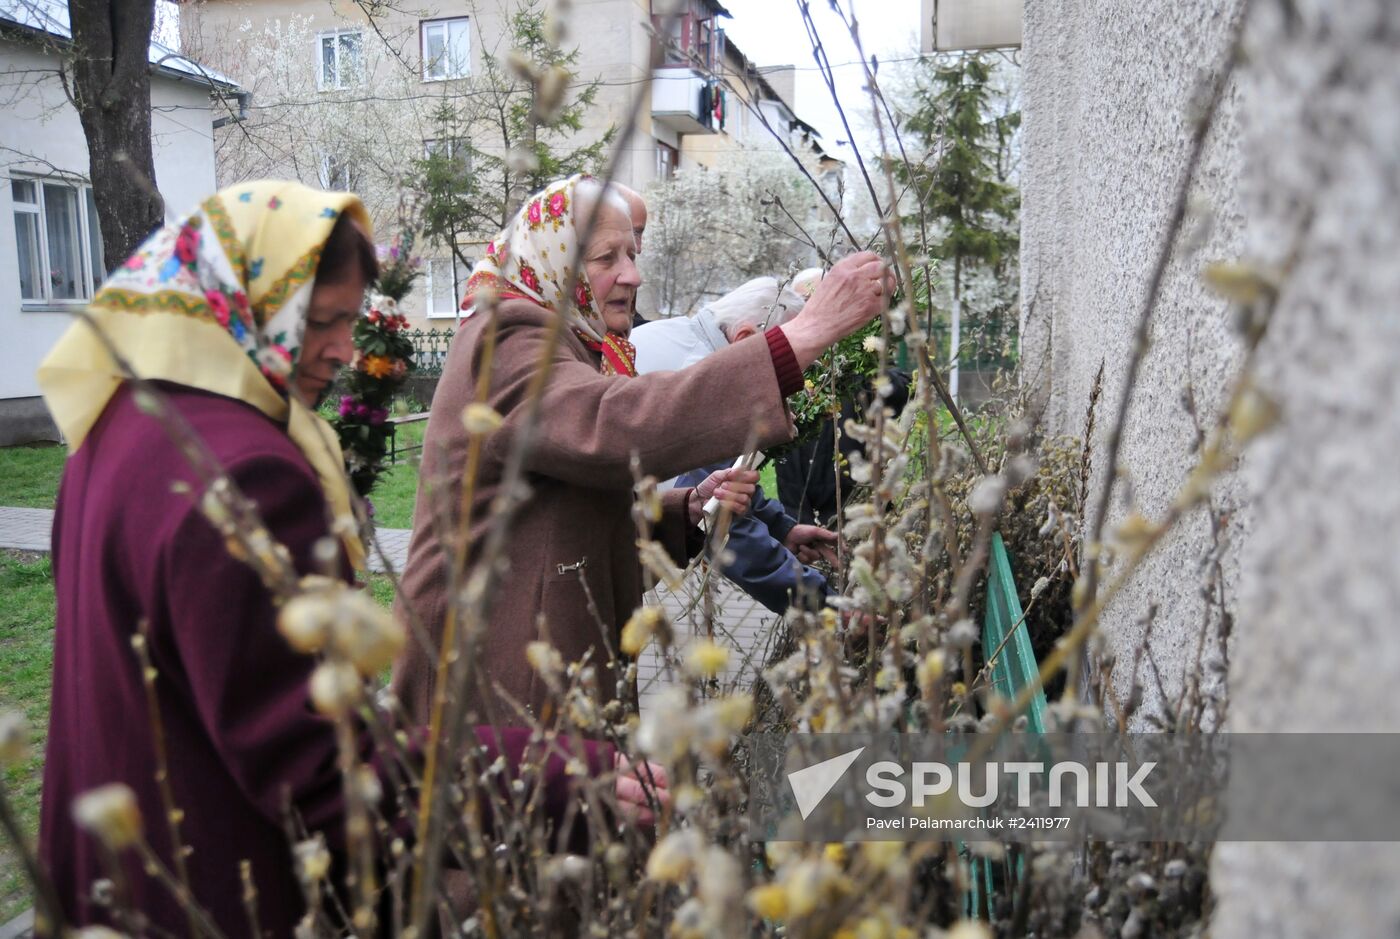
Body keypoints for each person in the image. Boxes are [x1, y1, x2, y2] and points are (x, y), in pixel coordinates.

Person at [34, 182, 655, 938]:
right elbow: (321, 772)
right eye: (318, 323)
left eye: (348, 322)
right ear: (237, 303)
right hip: (219, 886)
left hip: (107, 874)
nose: (341, 349)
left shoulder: (116, 425)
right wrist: (562, 777)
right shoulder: (246, 476)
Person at [394, 174, 892, 730]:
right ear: (554, 258)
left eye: (632, 253)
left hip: (538, 663)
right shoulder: (504, 337)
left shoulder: (569, 342)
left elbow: (572, 504)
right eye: (608, 256)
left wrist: (688, 510)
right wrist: (804, 335)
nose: (633, 274)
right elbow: (611, 426)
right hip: (486, 686)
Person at [632, 276, 840, 614]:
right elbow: (720, 522)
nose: (795, 384)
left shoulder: (675, 336)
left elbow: (718, 481)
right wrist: (828, 605)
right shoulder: (704, 382)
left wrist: (781, 527)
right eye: (789, 366)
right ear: (744, 340)